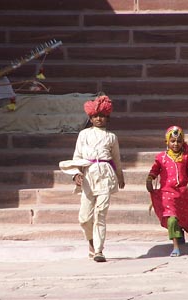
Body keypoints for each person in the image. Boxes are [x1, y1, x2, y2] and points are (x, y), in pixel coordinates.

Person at [59, 95, 125, 262]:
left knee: (100, 213)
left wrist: (120, 177)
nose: (98, 119)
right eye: (95, 116)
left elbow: (116, 159)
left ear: (107, 118)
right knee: (84, 218)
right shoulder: (83, 135)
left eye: (102, 116)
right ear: (90, 118)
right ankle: (91, 241)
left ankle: (99, 250)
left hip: (105, 176)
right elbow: (77, 156)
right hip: (88, 176)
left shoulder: (111, 137)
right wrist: (75, 174)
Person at [146, 126, 188, 257]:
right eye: (172, 141)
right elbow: (154, 171)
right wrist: (149, 179)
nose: (175, 144)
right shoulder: (161, 158)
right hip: (166, 193)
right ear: (167, 142)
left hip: (183, 193)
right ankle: (176, 246)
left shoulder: (186, 157)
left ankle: (180, 231)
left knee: (179, 217)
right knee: (171, 219)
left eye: (178, 141)